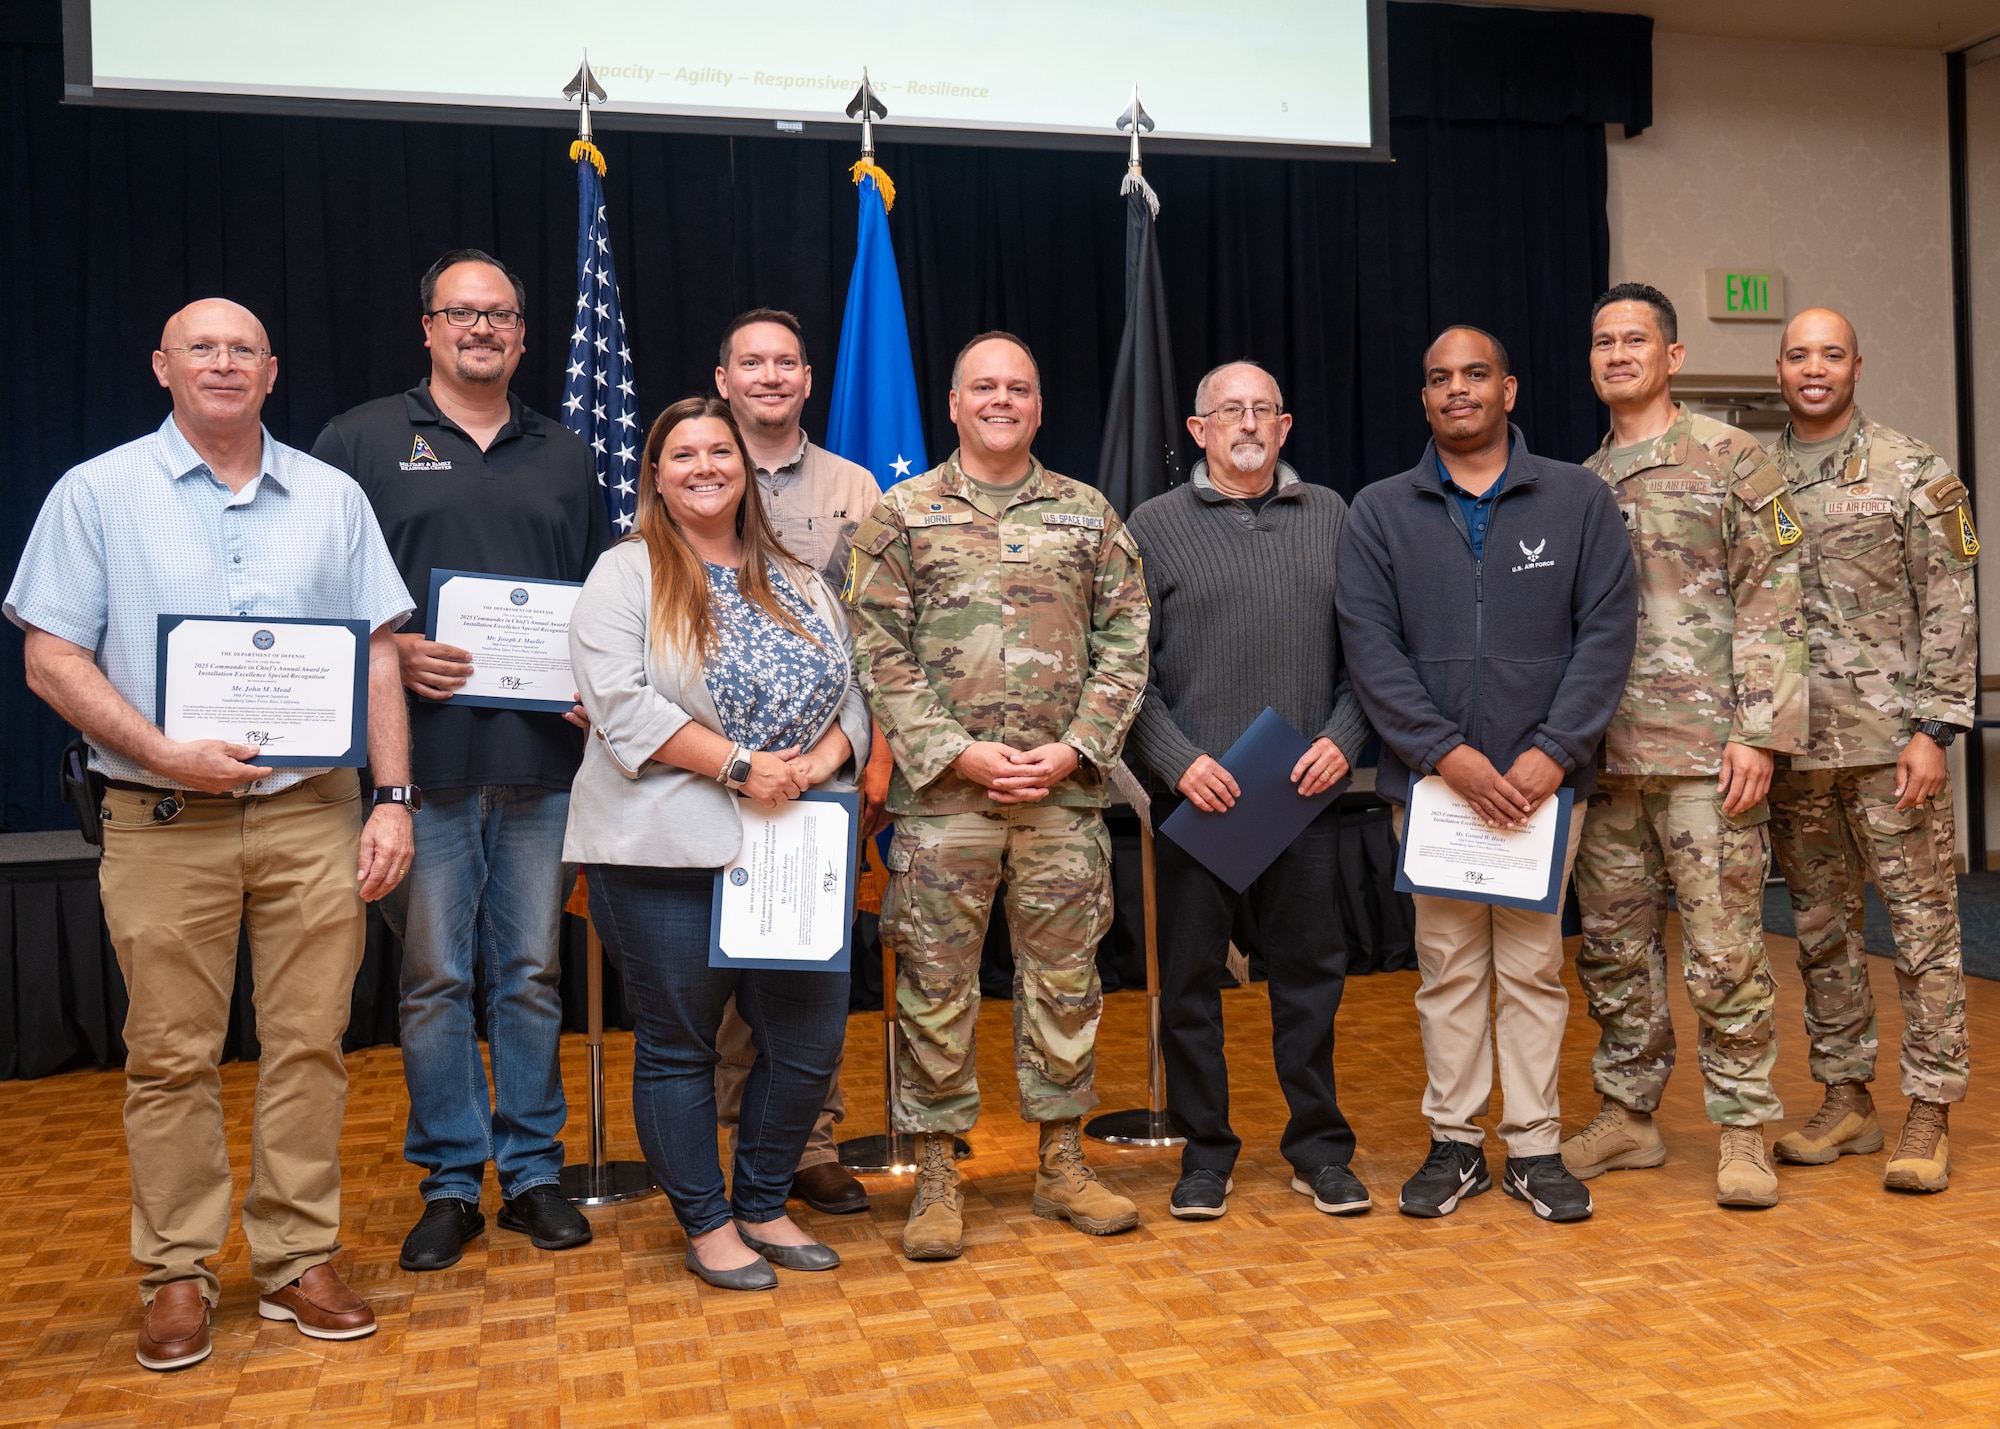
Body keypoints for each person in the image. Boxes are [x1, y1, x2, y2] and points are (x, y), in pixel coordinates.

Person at [5, 300, 415, 1368]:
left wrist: (394, 796)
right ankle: (177, 1272)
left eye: (244, 349)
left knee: (312, 1046)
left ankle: (295, 1260)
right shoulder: (95, 494)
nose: (224, 363)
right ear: (162, 367)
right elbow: (51, 659)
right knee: (170, 1058)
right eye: (202, 347)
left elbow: (377, 653)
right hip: (161, 814)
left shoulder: (331, 498)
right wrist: (161, 748)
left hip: (313, 812)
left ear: (272, 371)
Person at [310, 249, 609, 1271]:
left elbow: (593, 604)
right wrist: (388, 646)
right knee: (435, 980)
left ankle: (530, 1172)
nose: (480, 329)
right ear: (427, 328)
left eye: (499, 316)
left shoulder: (565, 453)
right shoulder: (358, 440)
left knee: (528, 974)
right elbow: (317, 604)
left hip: (542, 766)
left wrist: (589, 679)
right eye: (460, 313)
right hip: (418, 770)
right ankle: (449, 1182)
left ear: (523, 336)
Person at [845, 332, 1151, 1261]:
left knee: (1064, 983)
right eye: (985, 386)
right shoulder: (900, 516)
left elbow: (1127, 637)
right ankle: (937, 1171)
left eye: (1019, 387)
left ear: (1040, 405)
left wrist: (1073, 749)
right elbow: (876, 649)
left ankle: (1061, 1162)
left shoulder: (1089, 515)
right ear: (953, 403)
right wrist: (956, 752)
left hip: (1063, 799)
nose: (1002, 400)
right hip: (946, 803)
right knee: (937, 986)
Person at [564, 396, 872, 1292]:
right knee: (678, 1044)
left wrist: (815, 763)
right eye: (682, 453)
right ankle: (707, 1224)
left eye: (720, 451)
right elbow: (621, 702)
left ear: (745, 466)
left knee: (808, 1040)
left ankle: (766, 1200)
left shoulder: (800, 577)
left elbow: (854, 691)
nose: (704, 466)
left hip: (795, 844)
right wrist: (742, 767)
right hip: (662, 848)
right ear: (655, 476)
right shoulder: (625, 573)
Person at [1338, 326, 1636, 1224]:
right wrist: (1450, 756)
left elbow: (1608, 635)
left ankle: (1536, 1147)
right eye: (1439, 378)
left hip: (1547, 787)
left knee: (1536, 967)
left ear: (1510, 389)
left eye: (1475, 374)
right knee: (1448, 967)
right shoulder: (1379, 511)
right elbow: (1370, 650)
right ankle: (1456, 1143)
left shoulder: (1579, 499)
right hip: (1436, 790)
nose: (1457, 389)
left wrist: (1552, 753)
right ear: (1424, 399)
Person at [1565, 282, 1810, 1209]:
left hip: (1710, 757)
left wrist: (1759, 732)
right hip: (1607, 759)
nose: (1617, 353)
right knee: (1616, 952)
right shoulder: (1579, 482)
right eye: (1602, 342)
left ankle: (1743, 1124)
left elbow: (1774, 598)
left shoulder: (1733, 459)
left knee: (1723, 949)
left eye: (1635, 340)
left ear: (1672, 356)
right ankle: (1629, 1115)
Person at [1124, 360, 1374, 1222]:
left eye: (1264, 408)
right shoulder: (1152, 526)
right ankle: (1206, 1154)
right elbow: (1126, 672)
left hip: (1302, 798)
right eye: (1230, 409)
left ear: (1286, 424)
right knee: (1191, 984)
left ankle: (1319, 1149)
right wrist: (1176, 760)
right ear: (1197, 430)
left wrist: (1344, 743)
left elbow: (1368, 656)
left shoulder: (1333, 516)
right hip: (1198, 800)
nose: (1248, 422)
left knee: (1310, 977)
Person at [1762, 307, 1973, 1193]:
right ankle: (1847, 1097)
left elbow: (1952, 602)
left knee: (1922, 932)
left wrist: (1936, 729)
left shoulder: (1913, 468)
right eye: (1799, 354)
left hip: (1895, 748)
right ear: (1779, 367)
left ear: (1858, 364)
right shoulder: (1753, 472)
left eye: (1832, 354)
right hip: (1796, 750)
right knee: (1820, 932)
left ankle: (1929, 1107)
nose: (1815, 369)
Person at [710, 308, 883, 1217]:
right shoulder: (694, 466)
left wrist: (858, 753)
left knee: (813, 957)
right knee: (731, 964)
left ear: (809, 379)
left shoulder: (855, 486)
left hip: (828, 768)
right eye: (752, 362)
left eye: (787, 362)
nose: (770, 376)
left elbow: (883, 633)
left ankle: (812, 1140)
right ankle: (738, 1147)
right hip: (713, 767)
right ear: (724, 377)